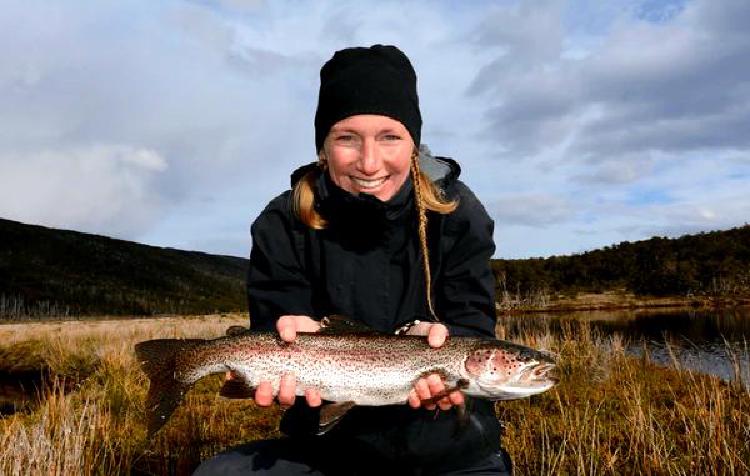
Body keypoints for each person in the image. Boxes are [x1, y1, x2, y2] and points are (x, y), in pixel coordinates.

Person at [193, 44, 512, 475]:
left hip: (449, 449)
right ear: (323, 147)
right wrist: (280, 329)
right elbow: (273, 319)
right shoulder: (281, 222)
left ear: (414, 144)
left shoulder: (458, 215)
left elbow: (473, 322)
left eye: (390, 137)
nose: (369, 162)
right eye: (347, 138)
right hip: (326, 449)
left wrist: (446, 337)